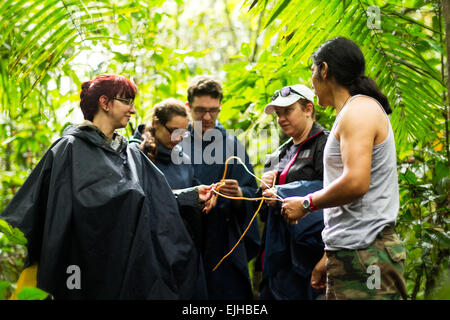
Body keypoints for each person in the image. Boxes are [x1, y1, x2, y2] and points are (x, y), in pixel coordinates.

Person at [1, 74, 203, 299]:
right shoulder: (68, 149)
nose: (133, 110)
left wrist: (192, 196)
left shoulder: (132, 155)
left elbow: (157, 199)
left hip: (125, 271)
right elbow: (47, 215)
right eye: (126, 101)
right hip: (81, 272)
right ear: (104, 103)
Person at [281, 37, 408, 300]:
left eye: (312, 72)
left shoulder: (359, 111)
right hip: (352, 252)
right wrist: (330, 257)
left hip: (368, 254)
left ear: (324, 70)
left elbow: (356, 183)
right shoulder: (351, 112)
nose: (311, 83)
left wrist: (306, 203)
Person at [178, 75, 260, 300]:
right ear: (188, 107)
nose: (207, 117)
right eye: (200, 110)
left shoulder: (232, 146)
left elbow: (252, 193)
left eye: (213, 111)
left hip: (222, 243)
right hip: (183, 241)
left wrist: (239, 194)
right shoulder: (175, 141)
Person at [255, 84, 328, 300]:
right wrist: (265, 191)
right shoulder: (278, 154)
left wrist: (282, 192)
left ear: (308, 109)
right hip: (281, 255)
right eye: (278, 114)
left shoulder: (326, 143)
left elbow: (335, 193)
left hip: (314, 250)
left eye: (288, 111)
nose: (281, 119)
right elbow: (264, 214)